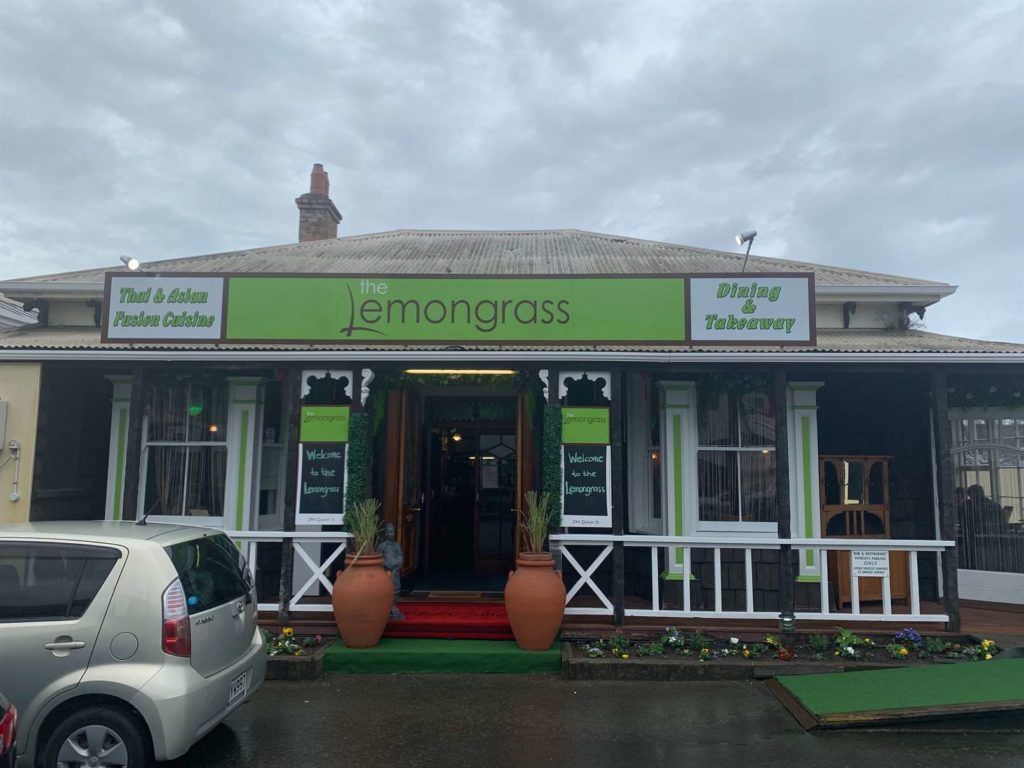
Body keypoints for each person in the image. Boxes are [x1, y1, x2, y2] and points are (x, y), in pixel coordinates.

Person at [376, 523, 405, 620]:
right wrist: (385, 565)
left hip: (395, 570)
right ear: (386, 534)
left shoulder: (397, 546)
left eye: (393, 532)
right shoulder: (382, 546)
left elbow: (400, 556)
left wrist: (396, 564)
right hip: (385, 570)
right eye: (389, 532)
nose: (391, 534)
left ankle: (394, 605)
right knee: (386, 587)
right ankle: (386, 607)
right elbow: (378, 557)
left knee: (395, 587)